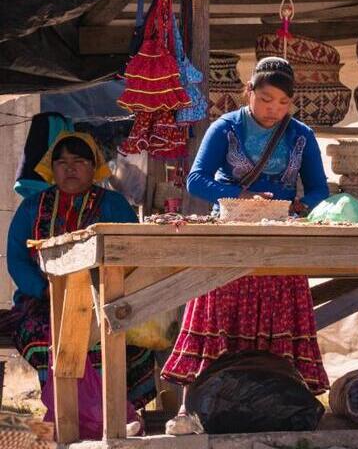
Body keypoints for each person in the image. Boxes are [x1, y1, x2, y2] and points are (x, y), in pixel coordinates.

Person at [161, 57, 330, 435]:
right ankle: (189, 410)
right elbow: (197, 180)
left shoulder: (301, 135)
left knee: (277, 322)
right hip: (229, 242)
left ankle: (281, 406)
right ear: (249, 92)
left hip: (280, 247)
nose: (274, 109)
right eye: (267, 99)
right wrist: (241, 194)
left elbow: (320, 188)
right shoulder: (226, 128)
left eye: (283, 103)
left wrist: (302, 206)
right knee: (215, 321)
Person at [5, 132, 156, 437]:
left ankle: (110, 417)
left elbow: (134, 250)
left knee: (108, 338)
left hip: (105, 301)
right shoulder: (32, 207)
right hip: (42, 304)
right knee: (50, 339)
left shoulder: (113, 205)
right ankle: (68, 419)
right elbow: (17, 259)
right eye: (61, 162)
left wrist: (102, 293)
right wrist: (45, 290)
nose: (69, 168)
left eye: (79, 161)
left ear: (94, 167)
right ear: (51, 168)